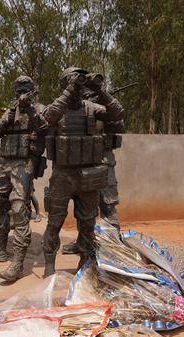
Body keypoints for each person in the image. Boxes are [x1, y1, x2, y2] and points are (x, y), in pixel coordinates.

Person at [41, 67, 124, 277]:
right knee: (54, 221)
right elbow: (47, 118)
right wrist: (69, 91)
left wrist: (101, 90)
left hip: (89, 176)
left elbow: (118, 113)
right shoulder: (57, 108)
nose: (79, 85)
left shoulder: (92, 107)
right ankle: (49, 265)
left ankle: (85, 264)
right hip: (62, 176)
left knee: (87, 223)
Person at [0, 76, 48, 282]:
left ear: (32, 90)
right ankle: (0, 249)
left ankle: (17, 263)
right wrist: (9, 113)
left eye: (25, 89)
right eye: (18, 90)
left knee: (18, 209)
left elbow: (44, 129)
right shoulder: (10, 111)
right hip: (4, 163)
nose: (21, 93)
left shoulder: (40, 109)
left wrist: (31, 110)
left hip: (24, 164)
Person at [62, 80, 123, 255]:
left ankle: (113, 250)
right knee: (84, 209)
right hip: (85, 161)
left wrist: (103, 99)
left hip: (103, 162)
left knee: (108, 204)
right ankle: (83, 243)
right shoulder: (83, 107)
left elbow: (118, 121)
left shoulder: (104, 109)